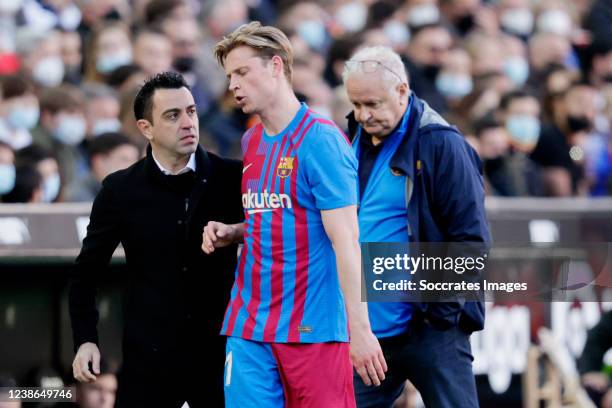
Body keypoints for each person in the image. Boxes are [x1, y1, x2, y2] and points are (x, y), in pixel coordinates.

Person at [203, 22, 386, 407]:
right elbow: (277, 214)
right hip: (249, 324)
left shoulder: (321, 141)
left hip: (312, 327)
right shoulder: (252, 140)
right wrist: (234, 231)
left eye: (242, 72)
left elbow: (347, 241)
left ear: (274, 66)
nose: (233, 85)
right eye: (229, 76)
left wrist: (360, 329)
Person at [68, 71, 243, 407]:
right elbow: (85, 273)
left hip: (222, 357)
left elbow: (276, 236)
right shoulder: (120, 190)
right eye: (172, 115)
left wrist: (239, 232)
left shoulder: (232, 177)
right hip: (149, 361)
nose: (188, 122)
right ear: (145, 128)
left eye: (191, 111)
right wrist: (86, 339)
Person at [343, 45, 489, 408]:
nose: (362, 114)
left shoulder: (441, 144)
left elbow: (470, 240)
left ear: (402, 92)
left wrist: (439, 314)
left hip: (431, 328)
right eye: (356, 105)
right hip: (371, 331)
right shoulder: (355, 137)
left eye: (372, 104)